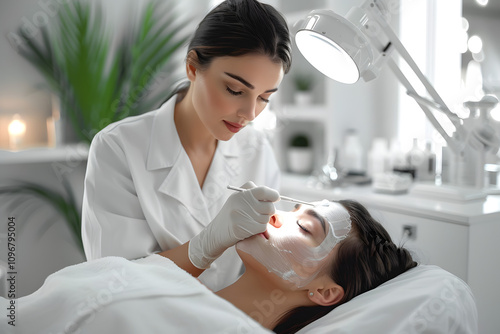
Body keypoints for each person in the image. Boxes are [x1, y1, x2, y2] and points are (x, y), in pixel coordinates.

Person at [81, 0, 292, 291]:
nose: (250, 113)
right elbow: (116, 282)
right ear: (193, 67)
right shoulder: (118, 148)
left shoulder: (256, 151)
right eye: (235, 90)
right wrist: (205, 245)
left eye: (264, 97)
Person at [3, 197, 417, 334]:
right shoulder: (184, 291)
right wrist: (205, 246)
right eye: (292, 207)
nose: (276, 215)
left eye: (305, 227)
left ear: (325, 291)